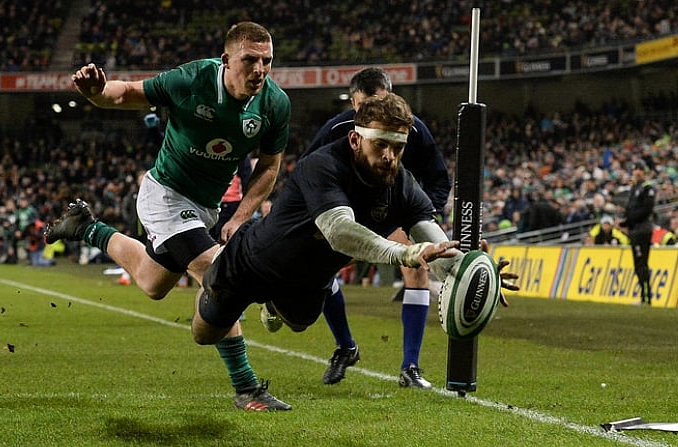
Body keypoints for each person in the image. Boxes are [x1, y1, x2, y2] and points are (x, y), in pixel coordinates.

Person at [191, 93, 517, 407]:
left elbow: (433, 241)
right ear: (355, 140)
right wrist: (405, 253)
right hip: (252, 261)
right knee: (203, 334)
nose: (390, 155)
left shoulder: (403, 185)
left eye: (398, 147)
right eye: (381, 145)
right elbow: (340, 232)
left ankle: (273, 304)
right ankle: (212, 276)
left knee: (300, 323)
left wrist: (468, 269)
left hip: (309, 281)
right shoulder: (321, 165)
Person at [45, 22, 292, 411]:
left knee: (153, 282)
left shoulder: (275, 104)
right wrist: (96, 92)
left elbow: (269, 167)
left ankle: (87, 227)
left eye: (267, 61)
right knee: (217, 272)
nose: (260, 70)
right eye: (250, 60)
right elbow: (126, 93)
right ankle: (246, 386)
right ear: (227, 59)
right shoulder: (191, 80)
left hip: (204, 208)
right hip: (164, 195)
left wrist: (241, 215)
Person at [296, 67, 452, 388]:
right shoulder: (336, 129)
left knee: (417, 268)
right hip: (345, 214)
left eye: (381, 103)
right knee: (321, 273)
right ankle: (345, 346)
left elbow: (437, 177)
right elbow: (307, 175)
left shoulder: (414, 130)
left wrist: (423, 216)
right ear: (353, 104)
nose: (374, 112)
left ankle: (411, 366)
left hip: (394, 211)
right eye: (365, 106)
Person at [620, 159, 655, 305]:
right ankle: (643, 295)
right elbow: (629, 208)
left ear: (644, 172)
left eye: (640, 169)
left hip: (642, 230)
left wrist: (628, 221)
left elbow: (646, 210)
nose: (637, 172)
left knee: (641, 263)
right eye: (635, 169)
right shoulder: (634, 189)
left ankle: (646, 297)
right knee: (638, 264)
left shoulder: (647, 188)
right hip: (634, 230)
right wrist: (625, 221)